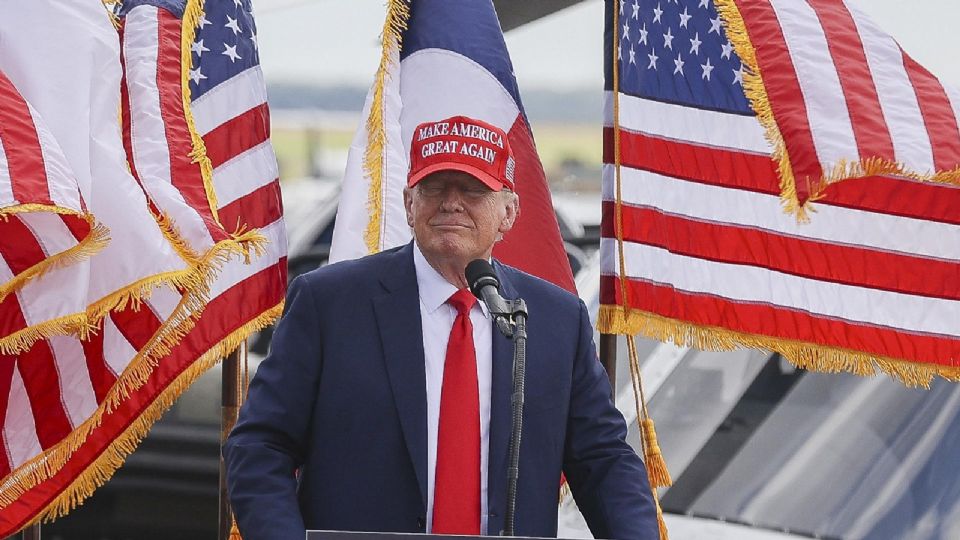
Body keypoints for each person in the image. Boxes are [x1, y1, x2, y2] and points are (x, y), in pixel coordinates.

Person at [224, 115, 658, 539]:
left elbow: (601, 460)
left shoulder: (554, 319)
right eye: (434, 187)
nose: (451, 202)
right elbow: (260, 446)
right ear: (410, 204)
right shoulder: (329, 304)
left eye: (472, 189)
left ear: (509, 212)